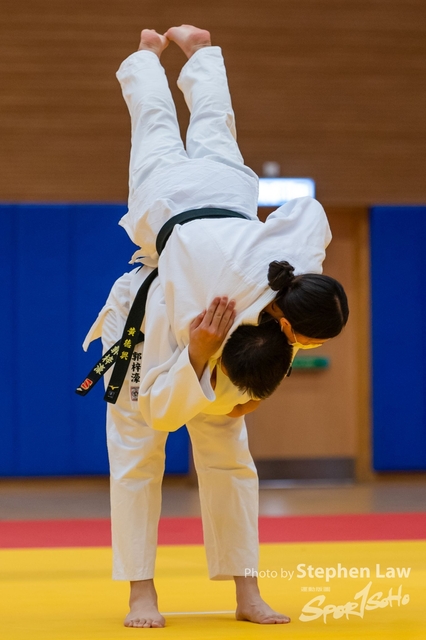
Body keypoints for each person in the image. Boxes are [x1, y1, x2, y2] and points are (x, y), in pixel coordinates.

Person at [83, 24, 348, 628]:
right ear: (287, 323)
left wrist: (246, 382)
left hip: (229, 194)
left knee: (213, 128)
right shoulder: (203, 305)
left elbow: (308, 210)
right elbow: (158, 410)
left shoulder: (296, 269)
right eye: (308, 339)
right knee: (140, 451)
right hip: (160, 288)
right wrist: (199, 354)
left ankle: (193, 50)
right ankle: (149, 593)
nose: (305, 346)